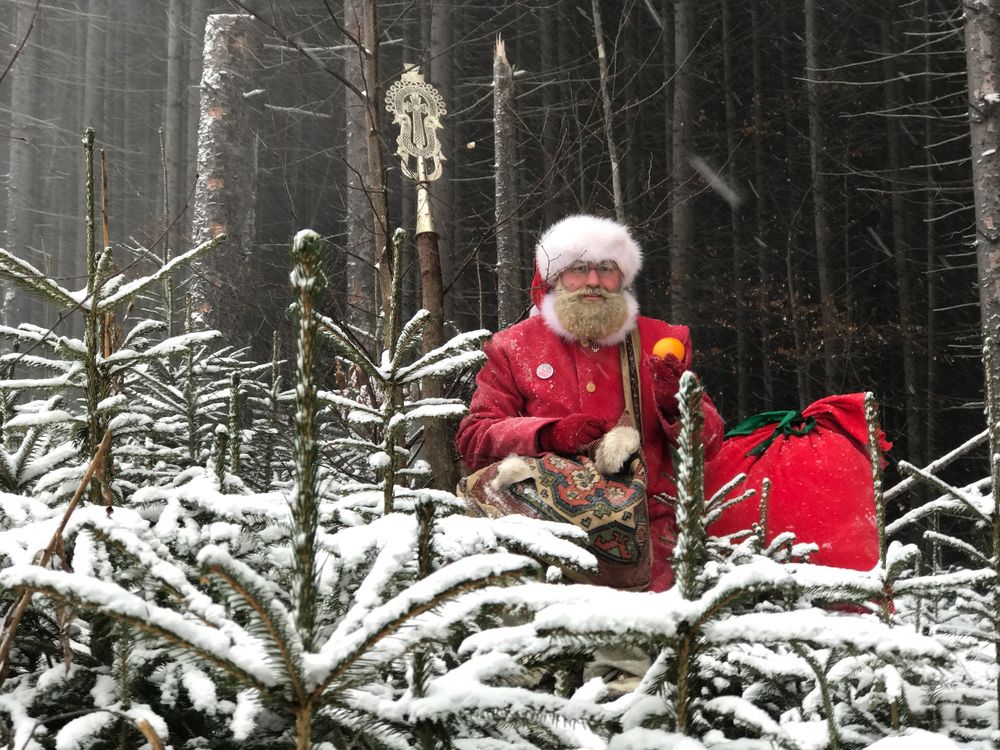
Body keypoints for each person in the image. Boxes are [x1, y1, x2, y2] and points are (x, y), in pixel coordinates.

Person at [456, 214, 724, 591]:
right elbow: (474, 438)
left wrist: (676, 404)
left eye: (606, 268)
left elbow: (708, 443)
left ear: (622, 277)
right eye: (579, 268)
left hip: (650, 541)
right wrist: (547, 435)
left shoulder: (662, 339)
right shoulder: (514, 346)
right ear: (558, 277)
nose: (593, 281)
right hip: (542, 539)